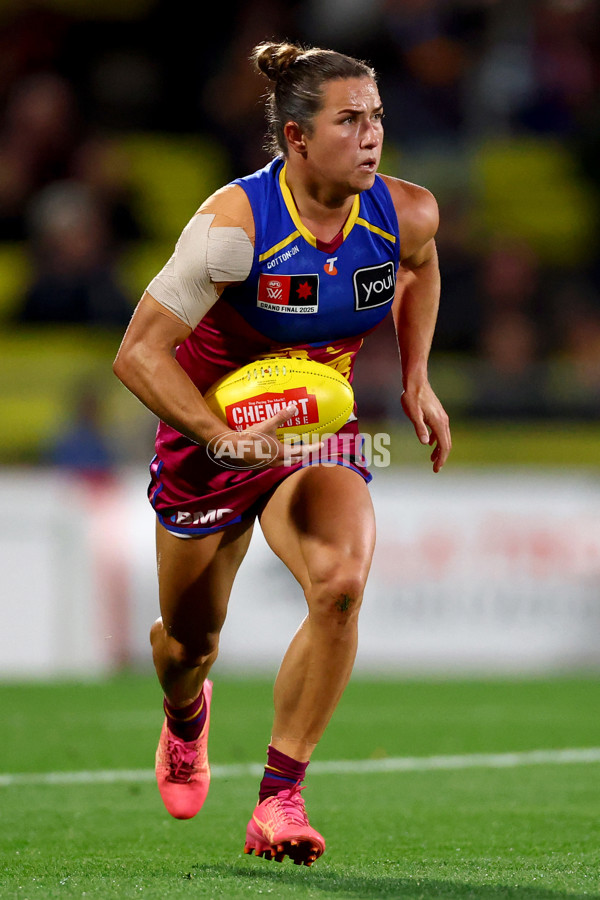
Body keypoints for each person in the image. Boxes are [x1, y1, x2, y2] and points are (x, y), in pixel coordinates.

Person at [113, 40, 451, 867]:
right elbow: (139, 354)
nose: (371, 136)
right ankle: (186, 714)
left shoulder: (406, 211)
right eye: (349, 120)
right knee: (188, 644)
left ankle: (279, 799)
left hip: (314, 423)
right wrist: (218, 434)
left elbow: (420, 268)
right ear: (298, 138)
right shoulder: (234, 229)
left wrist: (416, 378)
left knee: (340, 586)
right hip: (211, 435)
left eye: (375, 117)